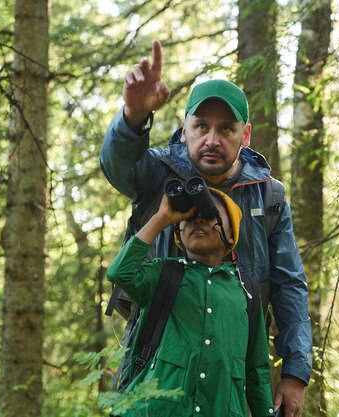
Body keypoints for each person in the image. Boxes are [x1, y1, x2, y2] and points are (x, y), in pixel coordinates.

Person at [100, 39, 312, 417]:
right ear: (185, 130)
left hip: (232, 367)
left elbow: (289, 284)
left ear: (244, 135)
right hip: (156, 358)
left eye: (226, 129)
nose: (212, 139)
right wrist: (132, 118)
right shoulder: (158, 175)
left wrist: (295, 371)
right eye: (201, 126)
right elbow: (119, 167)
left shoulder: (269, 197)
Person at [106, 190, 275, 417]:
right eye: (189, 218)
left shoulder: (247, 291)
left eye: (210, 215)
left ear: (232, 234)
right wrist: (161, 219)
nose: (198, 220)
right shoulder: (163, 274)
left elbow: (257, 373)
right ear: (178, 233)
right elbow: (120, 273)